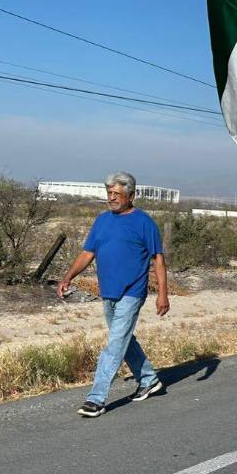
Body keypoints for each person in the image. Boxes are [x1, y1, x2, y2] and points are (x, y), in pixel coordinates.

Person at [58, 172, 168, 418]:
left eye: (116, 193)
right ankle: (149, 379)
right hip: (108, 291)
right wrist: (68, 277)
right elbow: (87, 254)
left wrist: (163, 294)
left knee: (115, 344)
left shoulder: (144, 222)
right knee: (124, 339)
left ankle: (95, 399)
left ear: (131, 195)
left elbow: (158, 260)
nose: (111, 198)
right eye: (109, 193)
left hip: (132, 291)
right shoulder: (102, 221)